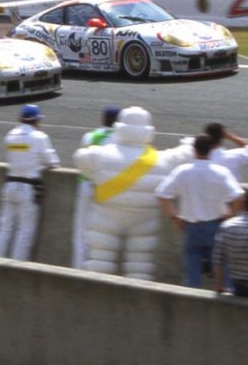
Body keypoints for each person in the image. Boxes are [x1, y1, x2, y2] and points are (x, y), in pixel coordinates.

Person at [75, 106, 195, 280]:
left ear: (119, 127)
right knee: (140, 267)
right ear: (149, 130)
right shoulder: (162, 160)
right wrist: (189, 143)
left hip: (106, 215)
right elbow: (185, 154)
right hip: (145, 219)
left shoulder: (99, 154)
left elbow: (81, 159)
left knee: (99, 264)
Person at [156, 134, 245, 288]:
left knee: (192, 275)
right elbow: (238, 197)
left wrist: (175, 217)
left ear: (194, 150)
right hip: (216, 226)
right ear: (211, 150)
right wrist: (230, 217)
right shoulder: (220, 172)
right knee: (223, 271)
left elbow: (162, 195)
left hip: (191, 228)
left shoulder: (182, 171)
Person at [0, 105, 59, 261]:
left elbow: (15, 154)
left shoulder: (10, 136)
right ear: (36, 120)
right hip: (28, 188)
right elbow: (53, 162)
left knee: (4, 228)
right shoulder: (39, 137)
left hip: (9, 185)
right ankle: (18, 267)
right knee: (24, 231)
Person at [73, 106, 119, 268]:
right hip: (105, 188)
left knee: (81, 232)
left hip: (85, 183)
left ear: (103, 119)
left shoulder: (90, 136)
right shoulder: (119, 140)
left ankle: (77, 269)